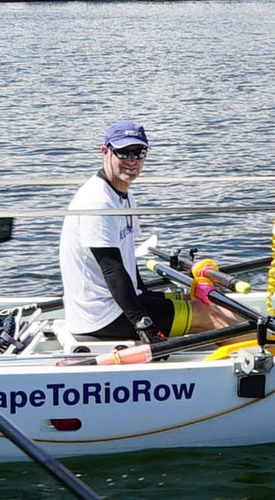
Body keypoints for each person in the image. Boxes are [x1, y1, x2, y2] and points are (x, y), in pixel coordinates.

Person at [59, 119, 191, 346]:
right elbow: (112, 268)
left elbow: (128, 261)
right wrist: (142, 321)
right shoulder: (98, 201)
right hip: (101, 316)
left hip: (110, 306)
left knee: (201, 302)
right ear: (105, 152)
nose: (131, 161)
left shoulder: (122, 193)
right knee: (212, 316)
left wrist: (147, 296)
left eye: (138, 153)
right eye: (123, 153)